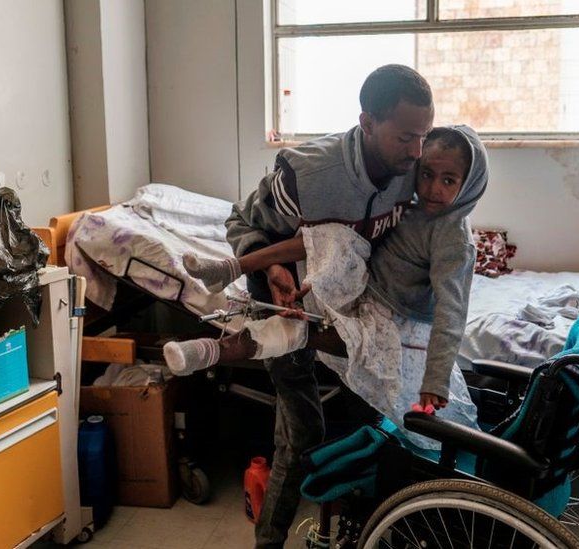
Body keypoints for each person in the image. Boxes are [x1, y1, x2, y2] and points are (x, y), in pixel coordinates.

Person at [219, 64, 434, 548]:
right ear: (367, 123)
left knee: (376, 415)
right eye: (405, 137)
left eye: (423, 135)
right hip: (284, 294)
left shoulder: (415, 166)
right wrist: (268, 270)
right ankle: (270, 539)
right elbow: (240, 222)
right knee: (303, 429)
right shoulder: (305, 174)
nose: (417, 151)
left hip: (353, 304)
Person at [167, 127, 486, 450]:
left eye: (449, 181)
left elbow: (452, 312)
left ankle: (210, 350)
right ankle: (228, 268)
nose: (432, 188)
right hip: (365, 289)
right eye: (427, 174)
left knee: (310, 336)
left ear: (469, 185)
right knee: (331, 234)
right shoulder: (405, 200)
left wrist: (436, 379)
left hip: (397, 319)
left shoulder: (454, 239)